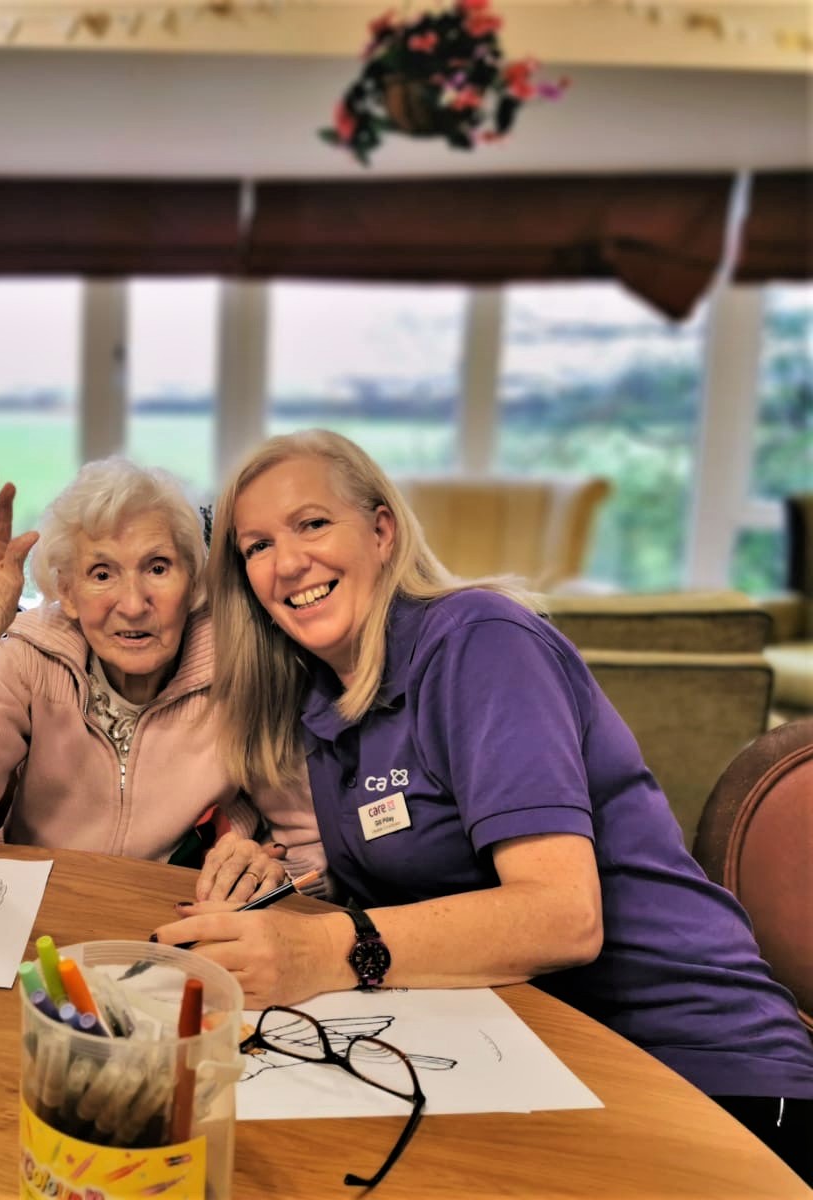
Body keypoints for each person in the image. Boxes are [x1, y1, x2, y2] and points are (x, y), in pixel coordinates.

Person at [155, 429, 813, 1179]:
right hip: (533, 1052)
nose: (289, 562)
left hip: (699, 1069)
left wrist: (317, 950)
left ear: (381, 530)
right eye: (258, 546)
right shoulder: (323, 700)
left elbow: (564, 916)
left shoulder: (481, 642)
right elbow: (418, 864)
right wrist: (273, 868)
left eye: (312, 523)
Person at [0, 460, 323, 896]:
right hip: (40, 915)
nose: (133, 605)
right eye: (102, 574)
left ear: (194, 584)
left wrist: (268, 883)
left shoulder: (242, 670)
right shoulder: (31, 659)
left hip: (174, 919)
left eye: (157, 567)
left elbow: (309, 852)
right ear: (67, 592)